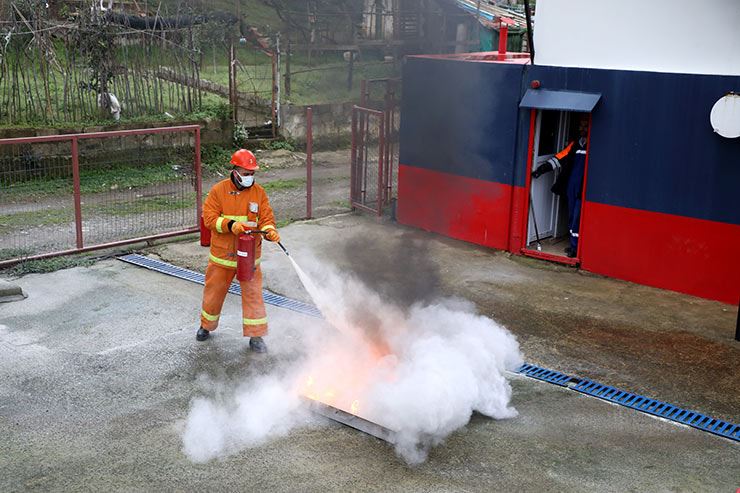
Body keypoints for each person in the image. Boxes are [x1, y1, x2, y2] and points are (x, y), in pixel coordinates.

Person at [196, 149, 280, 353]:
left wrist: (269, 231)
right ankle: (206, 326)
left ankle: (256, 336)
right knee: (213, 294)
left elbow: (266, 217)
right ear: (235, 171)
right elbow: (209, 219)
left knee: (253, 296)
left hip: (250, 257)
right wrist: (230, 225)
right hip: (222, 257)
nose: (249, 177)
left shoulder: (259, 192)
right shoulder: (218, 191)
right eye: (246, 172)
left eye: (252, 173)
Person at [531, 113, 590, 258]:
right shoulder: (575, 144)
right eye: (580, 126)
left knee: (578, 218)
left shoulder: (594, 146)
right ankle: (573, 246)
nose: (582, 129)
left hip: (585, 190)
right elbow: (559, 158)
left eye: (585, 126)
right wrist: (541, 170)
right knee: (571, 216)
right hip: (572, 188)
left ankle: (577, 249)